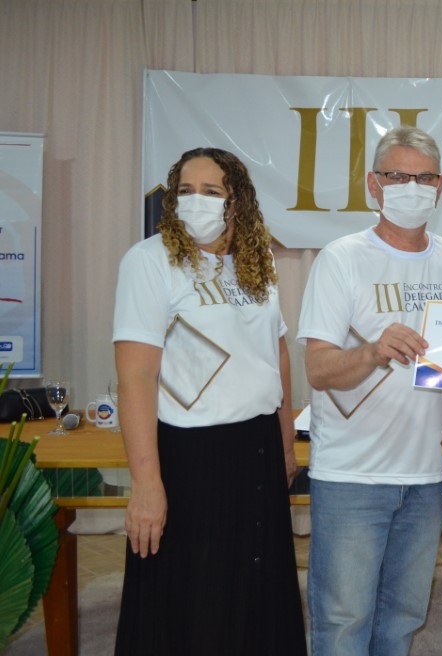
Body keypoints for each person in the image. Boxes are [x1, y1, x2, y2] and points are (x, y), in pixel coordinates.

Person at [112, 147, 305, 654]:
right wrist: (146, 485)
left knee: (257, 596)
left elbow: (277, 354)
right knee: (196, 599)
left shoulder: (257, 260)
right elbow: (136, 376)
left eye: (211, 191)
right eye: (185, 191)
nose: (195, 201)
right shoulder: (150, 260)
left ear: (235, 202)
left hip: (257, 447)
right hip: (191, 457)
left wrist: (285, 443)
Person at [298, 126, 442, 656]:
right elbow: (317, 369)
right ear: (374, 185)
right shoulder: (341, 258)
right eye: (397, 176)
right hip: (352, 476)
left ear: (440, 186)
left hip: (424, 476)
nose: (411, 188)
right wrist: (373, 351)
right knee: (343, 622)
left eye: (423, 178)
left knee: (402, 619)